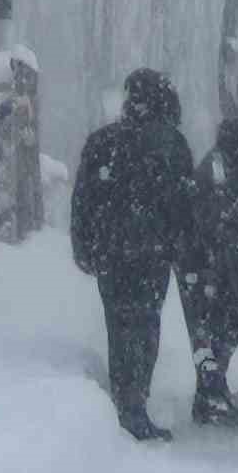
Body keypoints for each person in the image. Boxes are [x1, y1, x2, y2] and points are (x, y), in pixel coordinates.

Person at [70, 68, 195, 441]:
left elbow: (83, 201)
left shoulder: (102, 142)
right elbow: (183, 206)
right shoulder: (172, 144)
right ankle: (134, 404)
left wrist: (84, 247)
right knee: (144, 324)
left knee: (118, 325)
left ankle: (124, 402)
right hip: (151, 255)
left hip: (110, 252)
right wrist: (180, 248)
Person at [177, 116, 238, 425]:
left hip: (227, 261)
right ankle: (209, 392)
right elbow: (216, 220)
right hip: (215, 263)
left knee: (229, 323)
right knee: (222, 323)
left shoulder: (234, 167)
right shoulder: (217, 171)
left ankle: (212, 389)